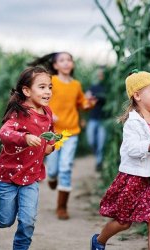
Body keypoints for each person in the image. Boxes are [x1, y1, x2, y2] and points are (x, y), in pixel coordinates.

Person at [90, 69, 150, 250]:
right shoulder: (133, 122)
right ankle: (99, 240)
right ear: (137, 95)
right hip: (135, 178)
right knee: (124, 222)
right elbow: (132, 149)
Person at [0, 66, 55, 250]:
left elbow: (50, 135)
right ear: (26, 91)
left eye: (50, 87)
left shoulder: (48, 113)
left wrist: (50, 147)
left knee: (27, 221)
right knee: (5, 220)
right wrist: (25, 138)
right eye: (42, 87)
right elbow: (4, 133)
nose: (48, 92)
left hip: (31, 177)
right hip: (8, 176)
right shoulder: (19, 113)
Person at [28, 52, 96, 220]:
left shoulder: (76, 85)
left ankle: (62, 207)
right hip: (52, 133)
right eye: (62, 60)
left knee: (65, 168)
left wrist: (89, 104)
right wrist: (49, 114)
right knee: (54, 169)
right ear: (56, 65)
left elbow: (81, 104)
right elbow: (39, 100)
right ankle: (51, 176)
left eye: (69, 60)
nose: (66, 63)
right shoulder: (51, 82)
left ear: (72, 64)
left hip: (71, 132)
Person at [85, 66, 107, 172]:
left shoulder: (108, 87)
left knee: (101, 142)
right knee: (91, 140)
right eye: (99, 74)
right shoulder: (93, 87)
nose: (100, 75)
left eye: (102, 74)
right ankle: (96, 154)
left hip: (103, 120)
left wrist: (96, 97)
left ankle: (99, 162)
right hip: (93, 118)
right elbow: (86, 99)